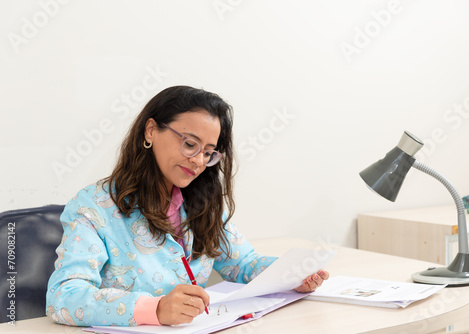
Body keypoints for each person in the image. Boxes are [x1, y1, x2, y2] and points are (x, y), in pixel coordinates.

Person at [46, 86, 329, 327]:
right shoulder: (93, 208)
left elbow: (243, 264)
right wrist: (155, 309)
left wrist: (292, 275)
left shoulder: (203, 202)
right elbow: (63, 297)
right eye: (190, 144)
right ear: (151, 131)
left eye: (208, 152)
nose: (197, 161)